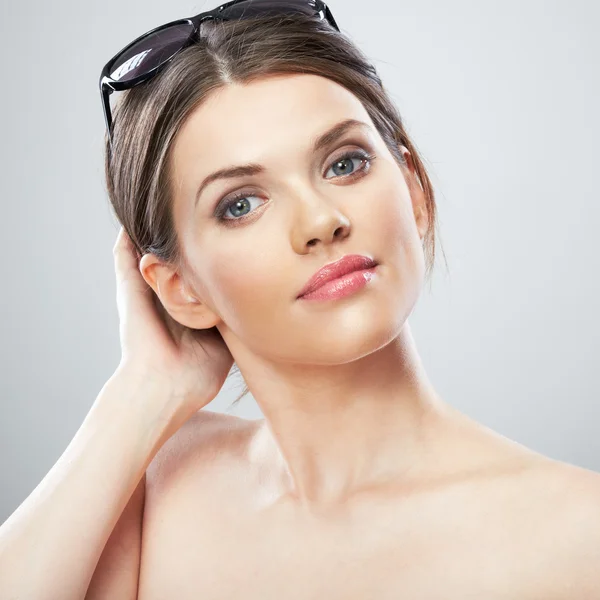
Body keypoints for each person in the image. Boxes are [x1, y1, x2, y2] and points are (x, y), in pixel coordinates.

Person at [1, 2, 600, 598]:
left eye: (345, 163)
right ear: (181, 289)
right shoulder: (157, 482)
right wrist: (142, 394)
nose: (320, 220)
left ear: (413, 192)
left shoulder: (577, 535)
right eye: (240, 203)